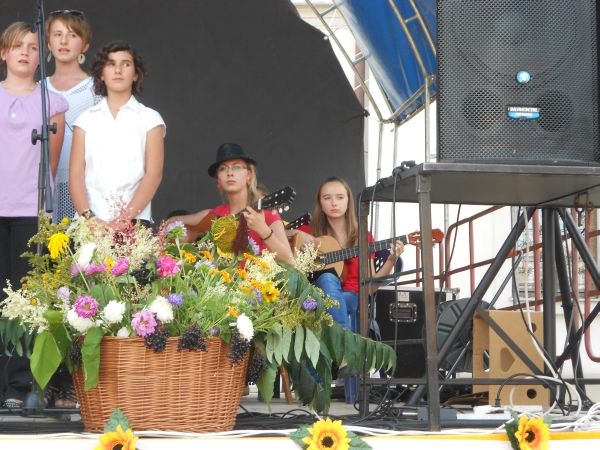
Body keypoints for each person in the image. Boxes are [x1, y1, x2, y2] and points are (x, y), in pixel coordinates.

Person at [0, 22, 68, 409]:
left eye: (31, 46)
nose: (25, 52)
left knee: (25, 299)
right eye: (17, 46)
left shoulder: (51, 102)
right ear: (3, 53)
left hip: (30, 210)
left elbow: (51, 164)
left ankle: (18, 385)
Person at [290, 177, 404, 347]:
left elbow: (370, 288)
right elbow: (274, 232)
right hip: (314, 296)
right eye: (327, 198)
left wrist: (391, 261)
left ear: (349, 202)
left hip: (352, 297)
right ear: (320, 204)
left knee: (332, 286)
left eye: (340, 197)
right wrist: (296, 233)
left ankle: (339, 349)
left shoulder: (363, 237)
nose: (334, 203)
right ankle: (344, 352)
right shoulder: (310, 232)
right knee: (327, 278)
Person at [69, 41, 165, 225]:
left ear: (136, 74)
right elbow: (76, 173)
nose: (118, 70)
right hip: (89, 223)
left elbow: (154, 174)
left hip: (134, 222)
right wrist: (89, 219)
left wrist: (124, 219)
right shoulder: (85, 120)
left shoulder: (150, 119)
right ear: (101, 74)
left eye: (126, 64)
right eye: (111, 64)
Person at [169, 143, 293, 264]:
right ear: (218, 178)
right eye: (223, 168)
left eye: (237, 167)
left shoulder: (266, 213)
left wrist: (263, 230)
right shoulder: (213, 215)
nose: (230, 173)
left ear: (248, 174)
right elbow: (171, 222)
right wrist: (186, 240)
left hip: (257, 277)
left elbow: (289, 261)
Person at [45, 10, 100, 224]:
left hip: (84, 185)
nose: (64, 41)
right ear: (48, 43)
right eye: (57, 34)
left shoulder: (96, 89)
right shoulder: (38, 89)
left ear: (85, 45)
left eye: (72, 35)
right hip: (46, 185)